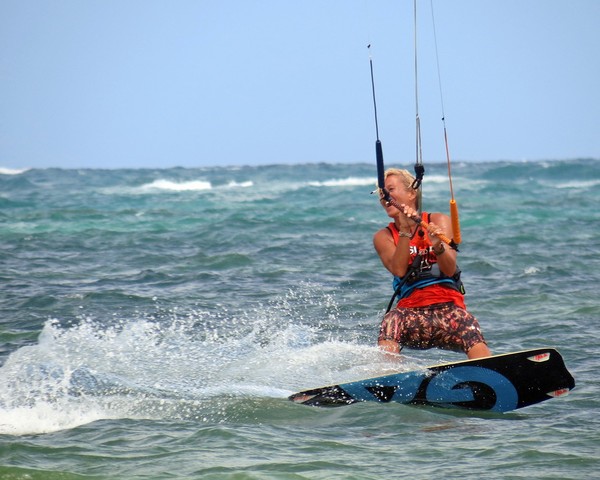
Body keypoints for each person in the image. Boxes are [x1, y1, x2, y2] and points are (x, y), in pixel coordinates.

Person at [373, 168, 491, 359]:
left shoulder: (438, 221)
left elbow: (449, 268)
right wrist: (404, 229)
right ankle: (387, 377)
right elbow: (399, 270)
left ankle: (490, 371)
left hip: (449, 312)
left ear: (411, 193)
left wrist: (438, 246)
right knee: (390, 320)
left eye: (391, 189)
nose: (385, 196)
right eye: (382, 194)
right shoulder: (383, 236)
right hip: (411, 315)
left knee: (468, 322)